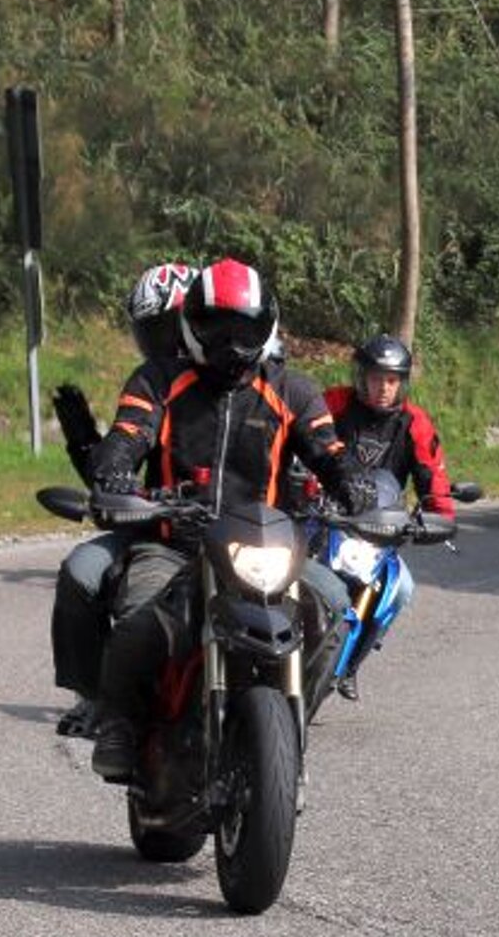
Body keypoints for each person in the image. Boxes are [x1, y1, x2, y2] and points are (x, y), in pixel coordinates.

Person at [87, 258, 364, 781]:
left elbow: (328, 450)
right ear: (191, 325)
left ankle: (288, 726)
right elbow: (128, 433)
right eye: (218, 328)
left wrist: (354, 483)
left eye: (245, 330)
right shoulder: (158, 379)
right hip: (174, 545)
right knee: (138, 615)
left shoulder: (293, 390)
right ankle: (119, 724)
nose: (232, 345)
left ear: (267, 329)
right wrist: (115, 469)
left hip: (264, 551)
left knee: (335, 609)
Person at [49, 261, 200, 735]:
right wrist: (85, 444)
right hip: (158, 528)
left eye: (166, 327)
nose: (160, 342)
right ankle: (95, 696)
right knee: (80, 572)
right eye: (150, 330)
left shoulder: (250, 374)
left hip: (244, 531)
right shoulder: (152, 383)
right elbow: (115, 475)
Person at [323, 333, 456, 514]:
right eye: (376, 378)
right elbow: (307, 437)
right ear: (363, 378)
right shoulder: (335, 403)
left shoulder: (415, 422)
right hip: (330, 513)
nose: (384, 388)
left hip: (386, 520)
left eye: (391, 381)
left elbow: (433, 477)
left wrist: (441, 517)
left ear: (402, 383)